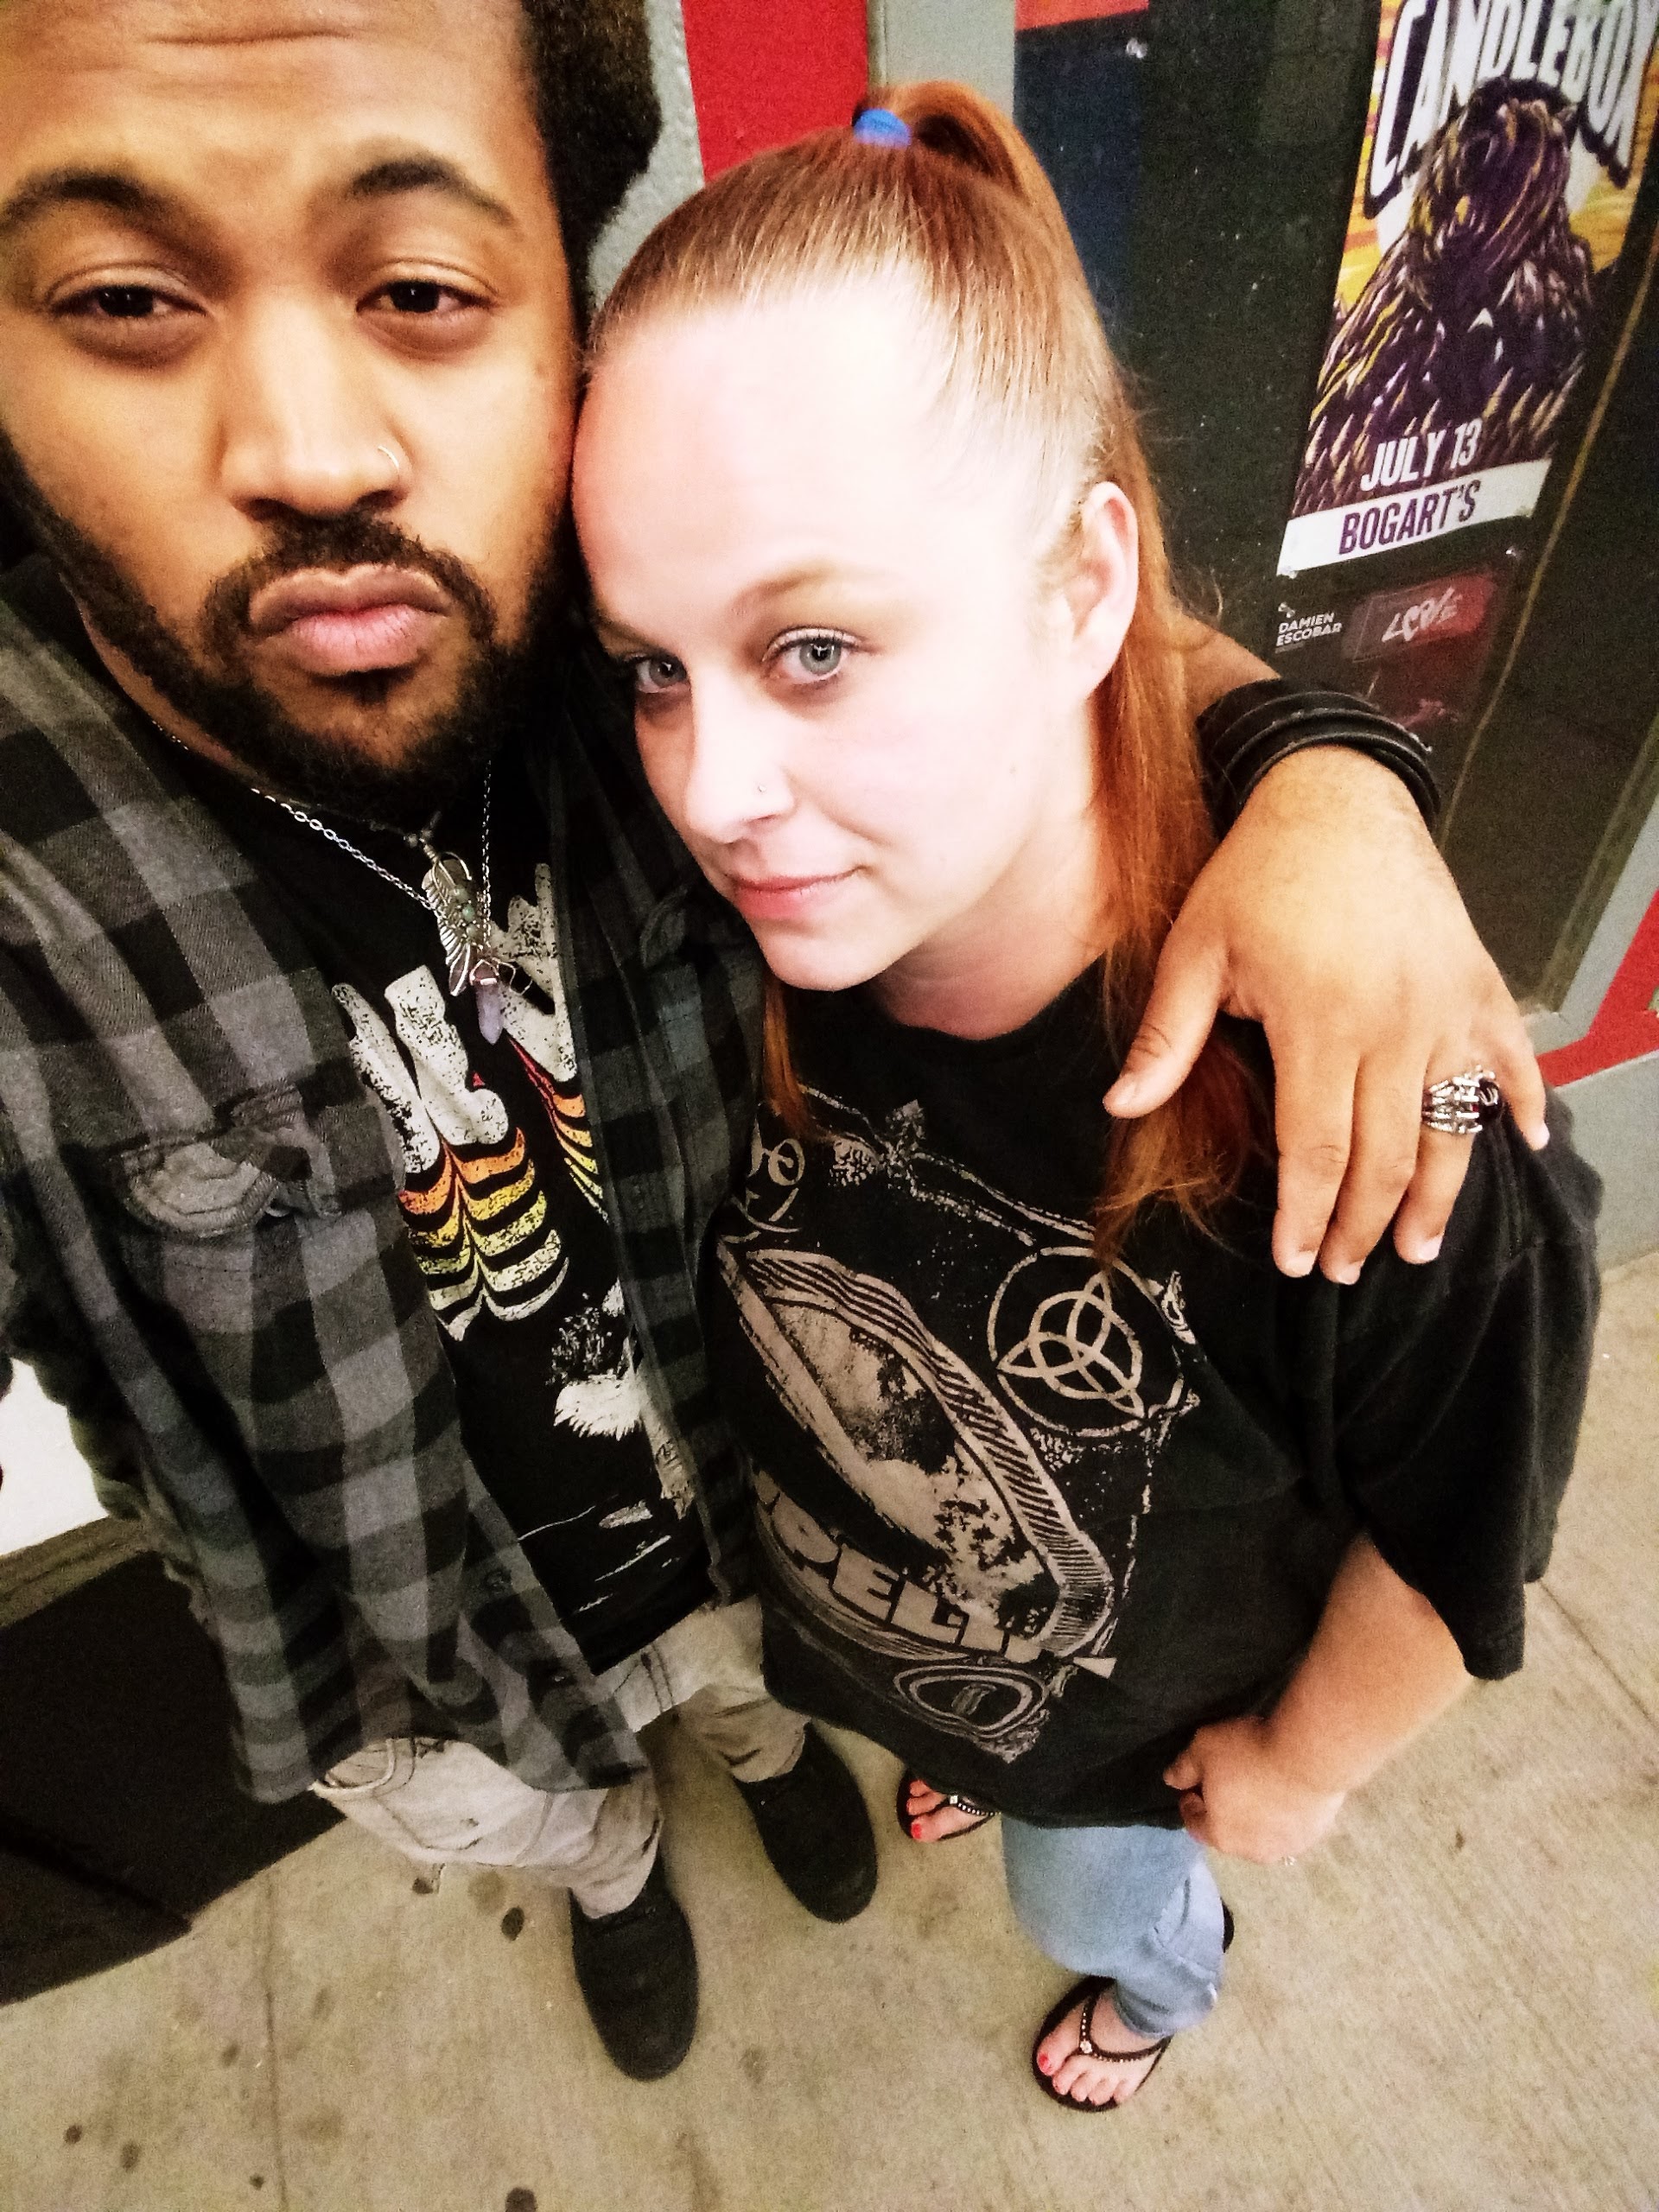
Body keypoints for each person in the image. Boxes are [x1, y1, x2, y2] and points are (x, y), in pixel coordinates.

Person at [0, 0, 1542, 2085]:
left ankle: (960, 1862)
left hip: (918, 1630)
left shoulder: (1330, 1093)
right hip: (520, 1650)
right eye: (121, 294)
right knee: (633, 1798)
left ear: (550, 331)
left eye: (421, 287)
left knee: (959, 1816)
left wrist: (1327, 774)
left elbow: (993, 561)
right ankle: (676, 1846)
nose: (310, 444)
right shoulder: (716, 829)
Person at [569, 84, 1600, 2107]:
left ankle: (1161, 1983)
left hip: (1139, 1756)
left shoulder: (1385, 1115)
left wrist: (1295, 1770)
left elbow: (1461, 1532)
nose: (711, 786)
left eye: (815, 645)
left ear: (1080, 592)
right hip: (926, 1637)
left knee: (1090, 1893)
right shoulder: (757, 935)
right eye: (654, 667)